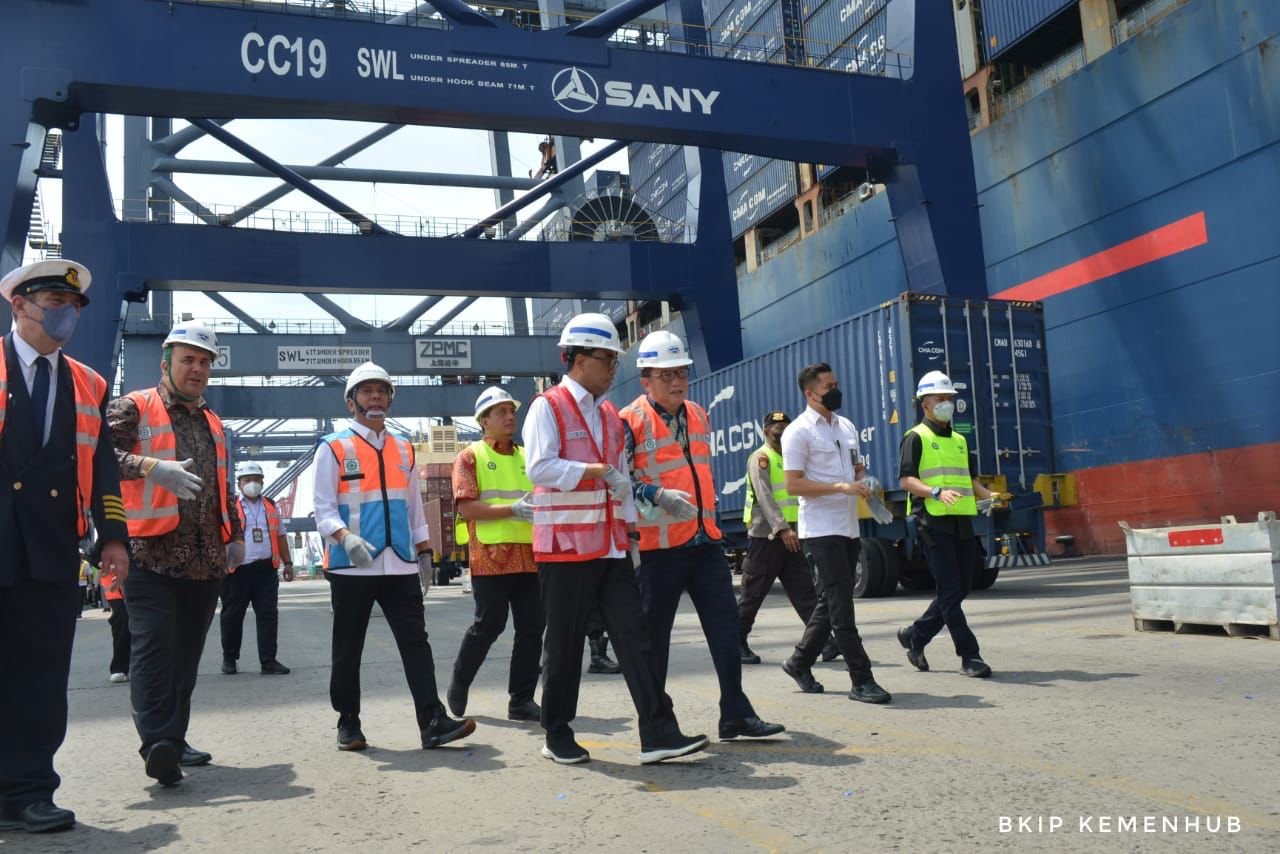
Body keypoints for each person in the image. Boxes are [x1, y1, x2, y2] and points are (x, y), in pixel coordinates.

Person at [523, 313, 707, 766]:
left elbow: (621, 480)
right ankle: (558, 733)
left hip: (610, 546)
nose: (612, 369)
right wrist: (594, 471)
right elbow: (539, 468)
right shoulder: (547, 406)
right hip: (565, 550)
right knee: (563, 645)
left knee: (635, 636)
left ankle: (658, 732)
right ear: (579, 359)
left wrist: (630, 530)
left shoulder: (608, 414)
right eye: (608, 360)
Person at [0, 260, 129, 833]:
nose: (66, 313)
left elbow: (102, 467)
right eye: (55, 300)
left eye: (73, 305)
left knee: (42, 677)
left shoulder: (90, 382)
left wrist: (114, 536)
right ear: (20, 304)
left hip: (52, 547)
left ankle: (31, 791)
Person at [620, 331, 784, 742]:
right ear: (646, 379)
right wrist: (654, 495)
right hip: (658, 550)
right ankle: (658, 725)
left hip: (704, 541)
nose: (677, 382)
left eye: (682, 373)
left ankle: (735, 714)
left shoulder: (697, 413)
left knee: (726, 630)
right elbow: (618, 481)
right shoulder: (629, 421)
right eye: (666, 375)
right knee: (654, 641)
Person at [109, 319, 245, 786]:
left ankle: (175, 738)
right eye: (188, 359)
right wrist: (150, 466)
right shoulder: (133, 408)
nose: (197, 369)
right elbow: (93, 455)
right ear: (166, 362)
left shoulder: (213, 422)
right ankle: (158, 743)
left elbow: (224, 487)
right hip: (148, 553)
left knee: (186, 655)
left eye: (205, 362)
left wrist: (236, 534)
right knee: (152, 649)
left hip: (205, 559)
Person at [313, 361, 474, 752]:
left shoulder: (404, 449)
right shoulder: (333, 448)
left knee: (416, 643)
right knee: (348, 649)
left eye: (382, 392)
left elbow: (414, 506)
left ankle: (432, 721)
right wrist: (344, 537)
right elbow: (323, 507)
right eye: (367, 392)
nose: (376, 398)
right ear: (351, 401)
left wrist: (424, 553)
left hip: (398, 561)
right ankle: (348, 723)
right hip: (353, 565)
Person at [779, 362, 891, 704]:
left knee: (830, 600)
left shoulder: (846, 427)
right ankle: (861, 678)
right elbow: (793, 483)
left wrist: (864, 480)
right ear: (810, 393)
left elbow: (857, 467)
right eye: (829, 386)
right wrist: (840, 486)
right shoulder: (798, 432)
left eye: (836, 383)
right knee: (842, 604)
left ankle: (799, 661)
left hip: (848, 525)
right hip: (820, 528)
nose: (836, 390)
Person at [446, 386, 542, 722]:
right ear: (484, 421)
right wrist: (512, 509)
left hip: (529, 553)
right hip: (491, 554)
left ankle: (521, 699)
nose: (510, 416)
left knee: (532, 627)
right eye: (501, 412)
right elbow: (468, 507)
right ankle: (460, 681)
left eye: (511, 411)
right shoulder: (469, 457)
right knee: (489, 624)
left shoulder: (527, 456)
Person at [897, 371, 999, 678]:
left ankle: (917, 635)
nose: (946, 404)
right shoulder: (915, 437)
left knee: (962, 586)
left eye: (949, 399)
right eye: (940, 399)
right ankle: (970, 656)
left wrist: (990, 495)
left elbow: (969, 478)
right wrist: (935, 491)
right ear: (924, 405)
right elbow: (906, 480)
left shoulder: (959, 440)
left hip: (961, 521)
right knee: (950, 590)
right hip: (931, 521)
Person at [737, 410, 821, 664]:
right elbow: (765, 497)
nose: (782, 432)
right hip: (767, 537)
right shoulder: (761, 458)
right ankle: (735, 642)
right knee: (752, 595)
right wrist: (782, 528)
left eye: (786, 427)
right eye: (777, 429)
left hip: (792, 536)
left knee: (806, 593)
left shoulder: (792, 460)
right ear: (766, 431)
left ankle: (824, 642)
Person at [221, 461, 293, 676]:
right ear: (239, 483)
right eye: (247, 480)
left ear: (262, 482)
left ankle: (268, 661)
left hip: (266, 570)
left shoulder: (271, 506)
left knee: (268, 616)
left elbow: (280, 536)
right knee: (232, 616)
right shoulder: (230, 506)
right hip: (237, 571)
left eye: (256, 479)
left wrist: (287, 563)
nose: (252, 483)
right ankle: (230, 659)